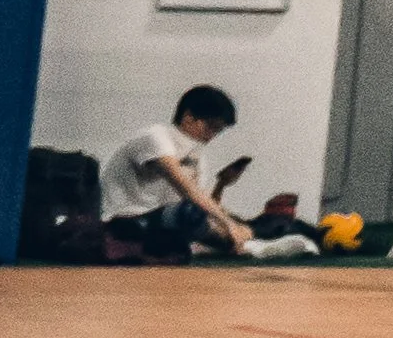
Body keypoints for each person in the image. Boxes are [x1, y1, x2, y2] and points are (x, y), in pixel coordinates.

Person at [99, 87, 267, 258]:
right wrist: (230, 225)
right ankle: (231, 245)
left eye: (218, 130)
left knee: (214, 219)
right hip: (127, 219)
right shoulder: (155, 137)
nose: (212, 135)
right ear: (188, 117)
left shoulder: (195, 155)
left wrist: (221, 184)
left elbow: (202, 208)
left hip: (163, 220)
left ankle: (231, 243)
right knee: (192, 214)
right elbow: (187, 191)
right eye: (211, 127)